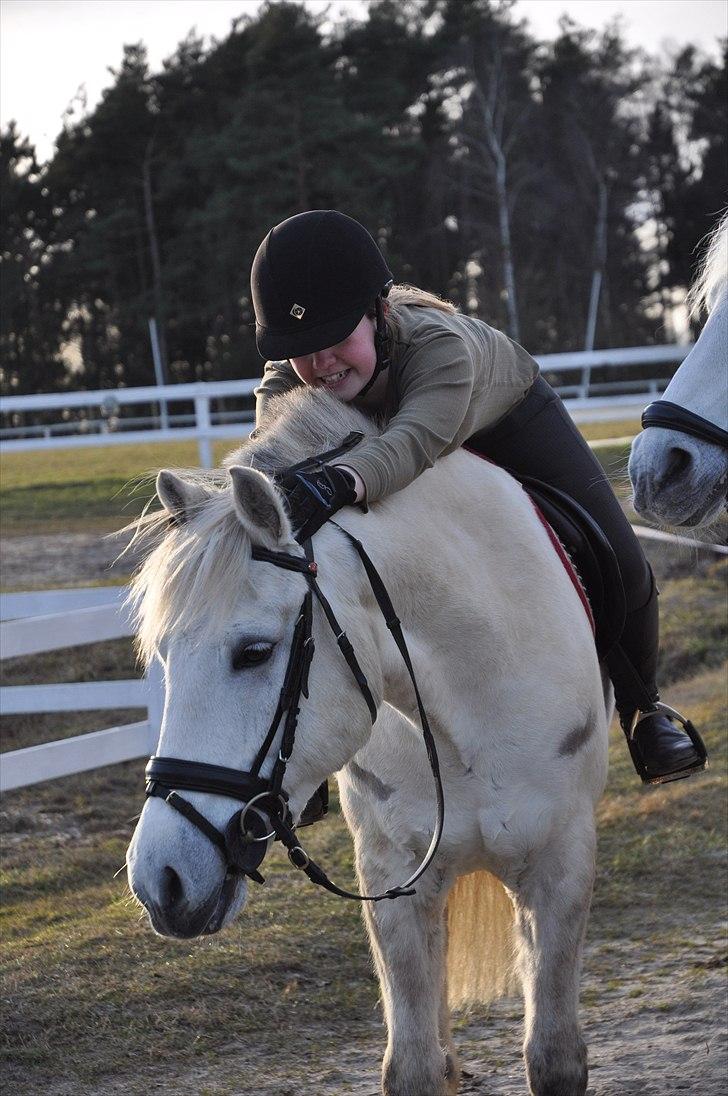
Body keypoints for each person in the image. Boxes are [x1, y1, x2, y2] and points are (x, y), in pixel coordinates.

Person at [250, 209, 707, 786]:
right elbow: (270, 464)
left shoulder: (441, 346)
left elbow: (411, 443)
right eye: (301, 348)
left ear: (379, 311)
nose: (320, 365)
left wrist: (333, 481)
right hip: (390, 446)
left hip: (507, 420)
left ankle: (645, 710)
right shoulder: (291, 380)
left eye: (337, 338)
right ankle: (295, 757)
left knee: (619, 554)